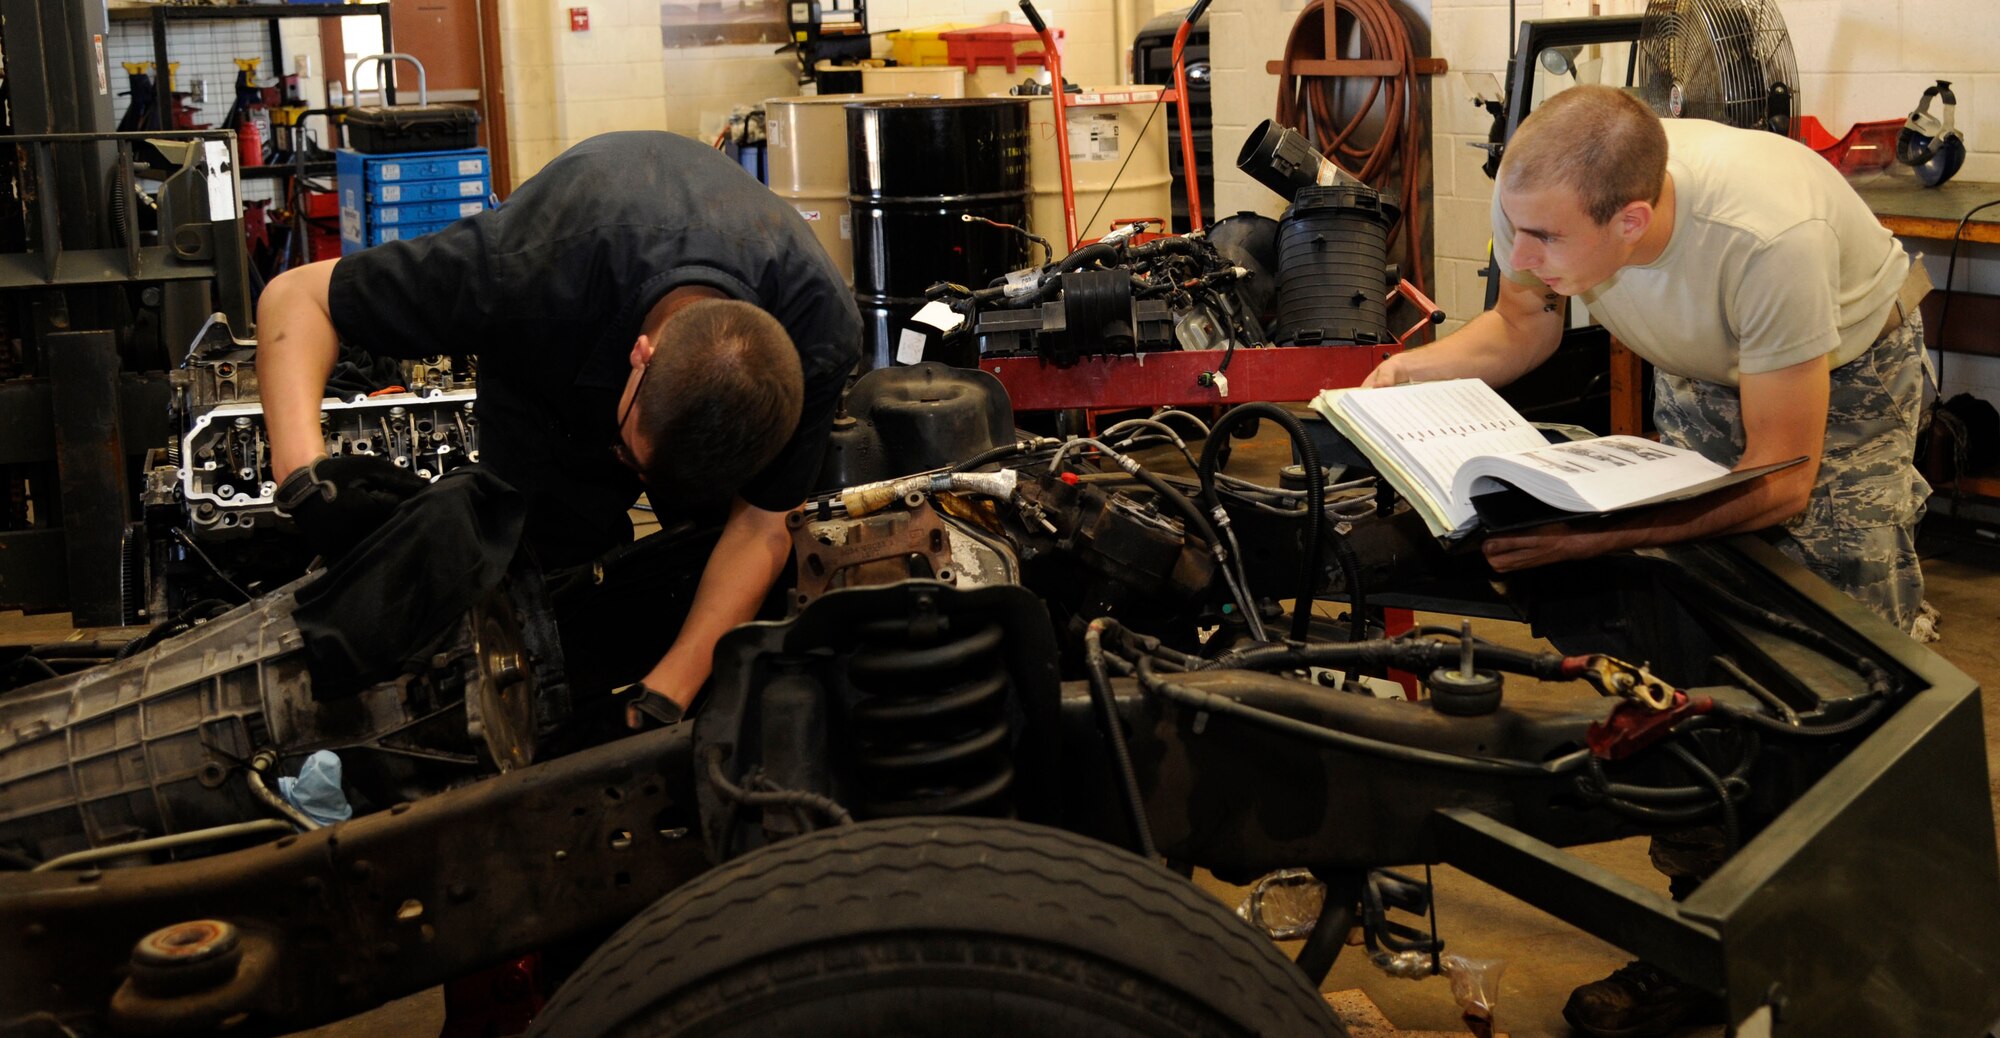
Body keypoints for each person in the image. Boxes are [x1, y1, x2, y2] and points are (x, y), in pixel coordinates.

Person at [1362, 86, 1932, 1037]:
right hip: (1707, 364)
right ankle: (1701, 938)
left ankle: (1874, 949)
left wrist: (1597, 534)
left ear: (1632, 221)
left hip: (1837, 380)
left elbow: (1783, 480)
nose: (1524, 255)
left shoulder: (1765, 235)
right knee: (1683, 645)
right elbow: (1523, 325)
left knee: (1844, 660)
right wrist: (1398, 378)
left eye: (1542, 239)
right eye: (1516, 230)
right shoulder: (1546, 198)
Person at [256, 130, 861, 728]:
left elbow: (760, 525)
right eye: (631, 454)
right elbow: (295, 298)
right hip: (556, 356)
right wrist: (305, 478)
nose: (638, 477)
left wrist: (667, 692)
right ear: (641, 355)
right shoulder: (521, 270)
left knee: (697, 563)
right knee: (538, 581)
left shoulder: (817, 333)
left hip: (665, 321)